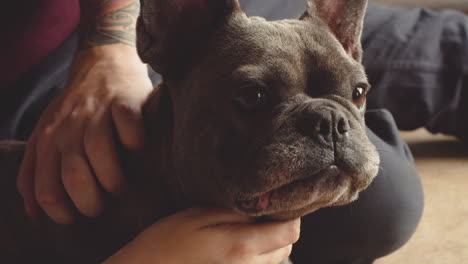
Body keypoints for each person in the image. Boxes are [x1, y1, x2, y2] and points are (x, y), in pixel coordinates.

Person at [1, 0, 466, 263]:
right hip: (32, 61)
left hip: (135, 29)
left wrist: (106, 45)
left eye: (358, 96)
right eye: (254, 100)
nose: (331, 125)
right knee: (389, 204)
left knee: (453, 54)